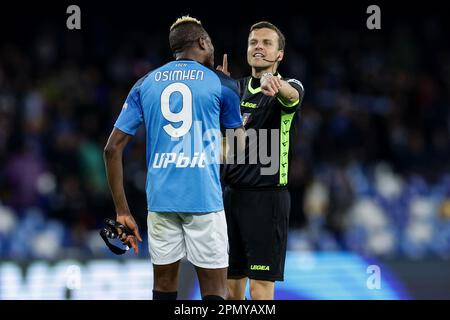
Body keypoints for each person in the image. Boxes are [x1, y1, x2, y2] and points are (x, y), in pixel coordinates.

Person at [103, 15, 244, 300]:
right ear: (203, 41)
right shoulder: (221, 84)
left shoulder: (144, 83)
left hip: (161, 201)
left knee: (164, 287)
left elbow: (111, 149)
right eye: (211, 42)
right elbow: (240, 150)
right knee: (216, 290)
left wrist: (122, 211)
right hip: (204, 200)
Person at [221, 21, 305, 300]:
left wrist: (277, 86)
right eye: (253, 42)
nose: (259, 47)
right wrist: (215, 90)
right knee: (231, 290)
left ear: (279, 54)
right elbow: (224, 145)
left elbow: (292, 96)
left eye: (267, 43)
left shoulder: (288, 86)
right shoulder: (234, 89)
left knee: (260, 291)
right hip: (230, 197)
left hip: (267, 200)